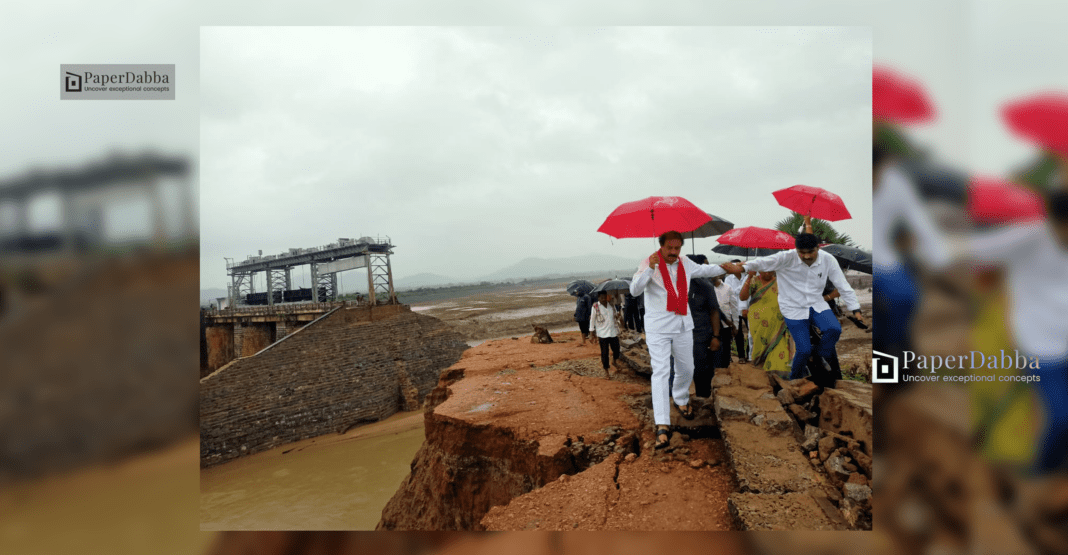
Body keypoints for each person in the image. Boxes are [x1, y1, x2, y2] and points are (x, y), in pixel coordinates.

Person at [630, 231, 743, 449]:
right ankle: (662, 423)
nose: (673, 253)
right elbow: (635, 291)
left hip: (682, 325)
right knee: (662, 372)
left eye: (677, 248)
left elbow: (706, 269)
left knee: (687, 368)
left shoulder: (685, 263)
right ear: (661, 246)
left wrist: (727, 266)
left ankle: (680, 398)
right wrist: (650, 269)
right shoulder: (647, 263)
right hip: (659, 329)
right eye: (669, 248)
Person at [739, 230, 865, 383]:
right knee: (803, 350)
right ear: (796, 250)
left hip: (817, 306)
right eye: (802, 253)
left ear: (818, 248)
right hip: (792, 310)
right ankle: (795, 380)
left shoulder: (827, 260)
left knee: (834, 329)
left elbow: (843, 286)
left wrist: (856, 310)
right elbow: (762, 262)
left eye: (810, 252)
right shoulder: (786, 259)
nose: (806, 256)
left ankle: (820, 357)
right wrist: (742, 268)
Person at [739, 270, 792, 377]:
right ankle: (760, 373)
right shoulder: (753, 280)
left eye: (771, 270)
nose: (768, 273)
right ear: (760, 269)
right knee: (759, 345)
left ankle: (777, 375)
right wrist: (749, 277)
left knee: (778, 346)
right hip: (757, 322)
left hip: (777, 322)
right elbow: (743, 297)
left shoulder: (780, 281)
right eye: (765, 270)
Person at [685, 255, 722, 398]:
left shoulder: (705, 286)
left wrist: (716, 336)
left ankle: (703, 399)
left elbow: (714, 311)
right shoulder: (676, 285)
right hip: (680, 334)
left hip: (700, 335)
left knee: (701, 370)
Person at [590, 291, 622, 378]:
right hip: (602, 333)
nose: (603, 299)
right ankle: (606, 371)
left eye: (605, 297)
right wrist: (591, 333)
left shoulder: (611, 305)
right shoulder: (595, 307)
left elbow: (615, 317)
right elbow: (592, 320)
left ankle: (614, 361)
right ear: (598, 298)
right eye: (601, 297)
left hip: (613, 332)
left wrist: (618, 317)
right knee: (605, 353)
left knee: (617, 349)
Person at [724, 259, 750, 362]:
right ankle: (741, 356)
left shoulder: (747, 277)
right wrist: (744, 285)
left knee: (751, 333)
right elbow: (731, 292)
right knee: (738, 334)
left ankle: (749, 354)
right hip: (734, 309)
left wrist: (746, 282)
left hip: (747, 309)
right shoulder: (729, 278)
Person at [712, 276, 737, 369]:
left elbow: (734, 307)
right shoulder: (707, 288)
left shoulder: (728, 288)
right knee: (715, 350)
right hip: (712, 325)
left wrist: (736, 325)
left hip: (726, 325)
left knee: (726, 349)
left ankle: (725, 370)